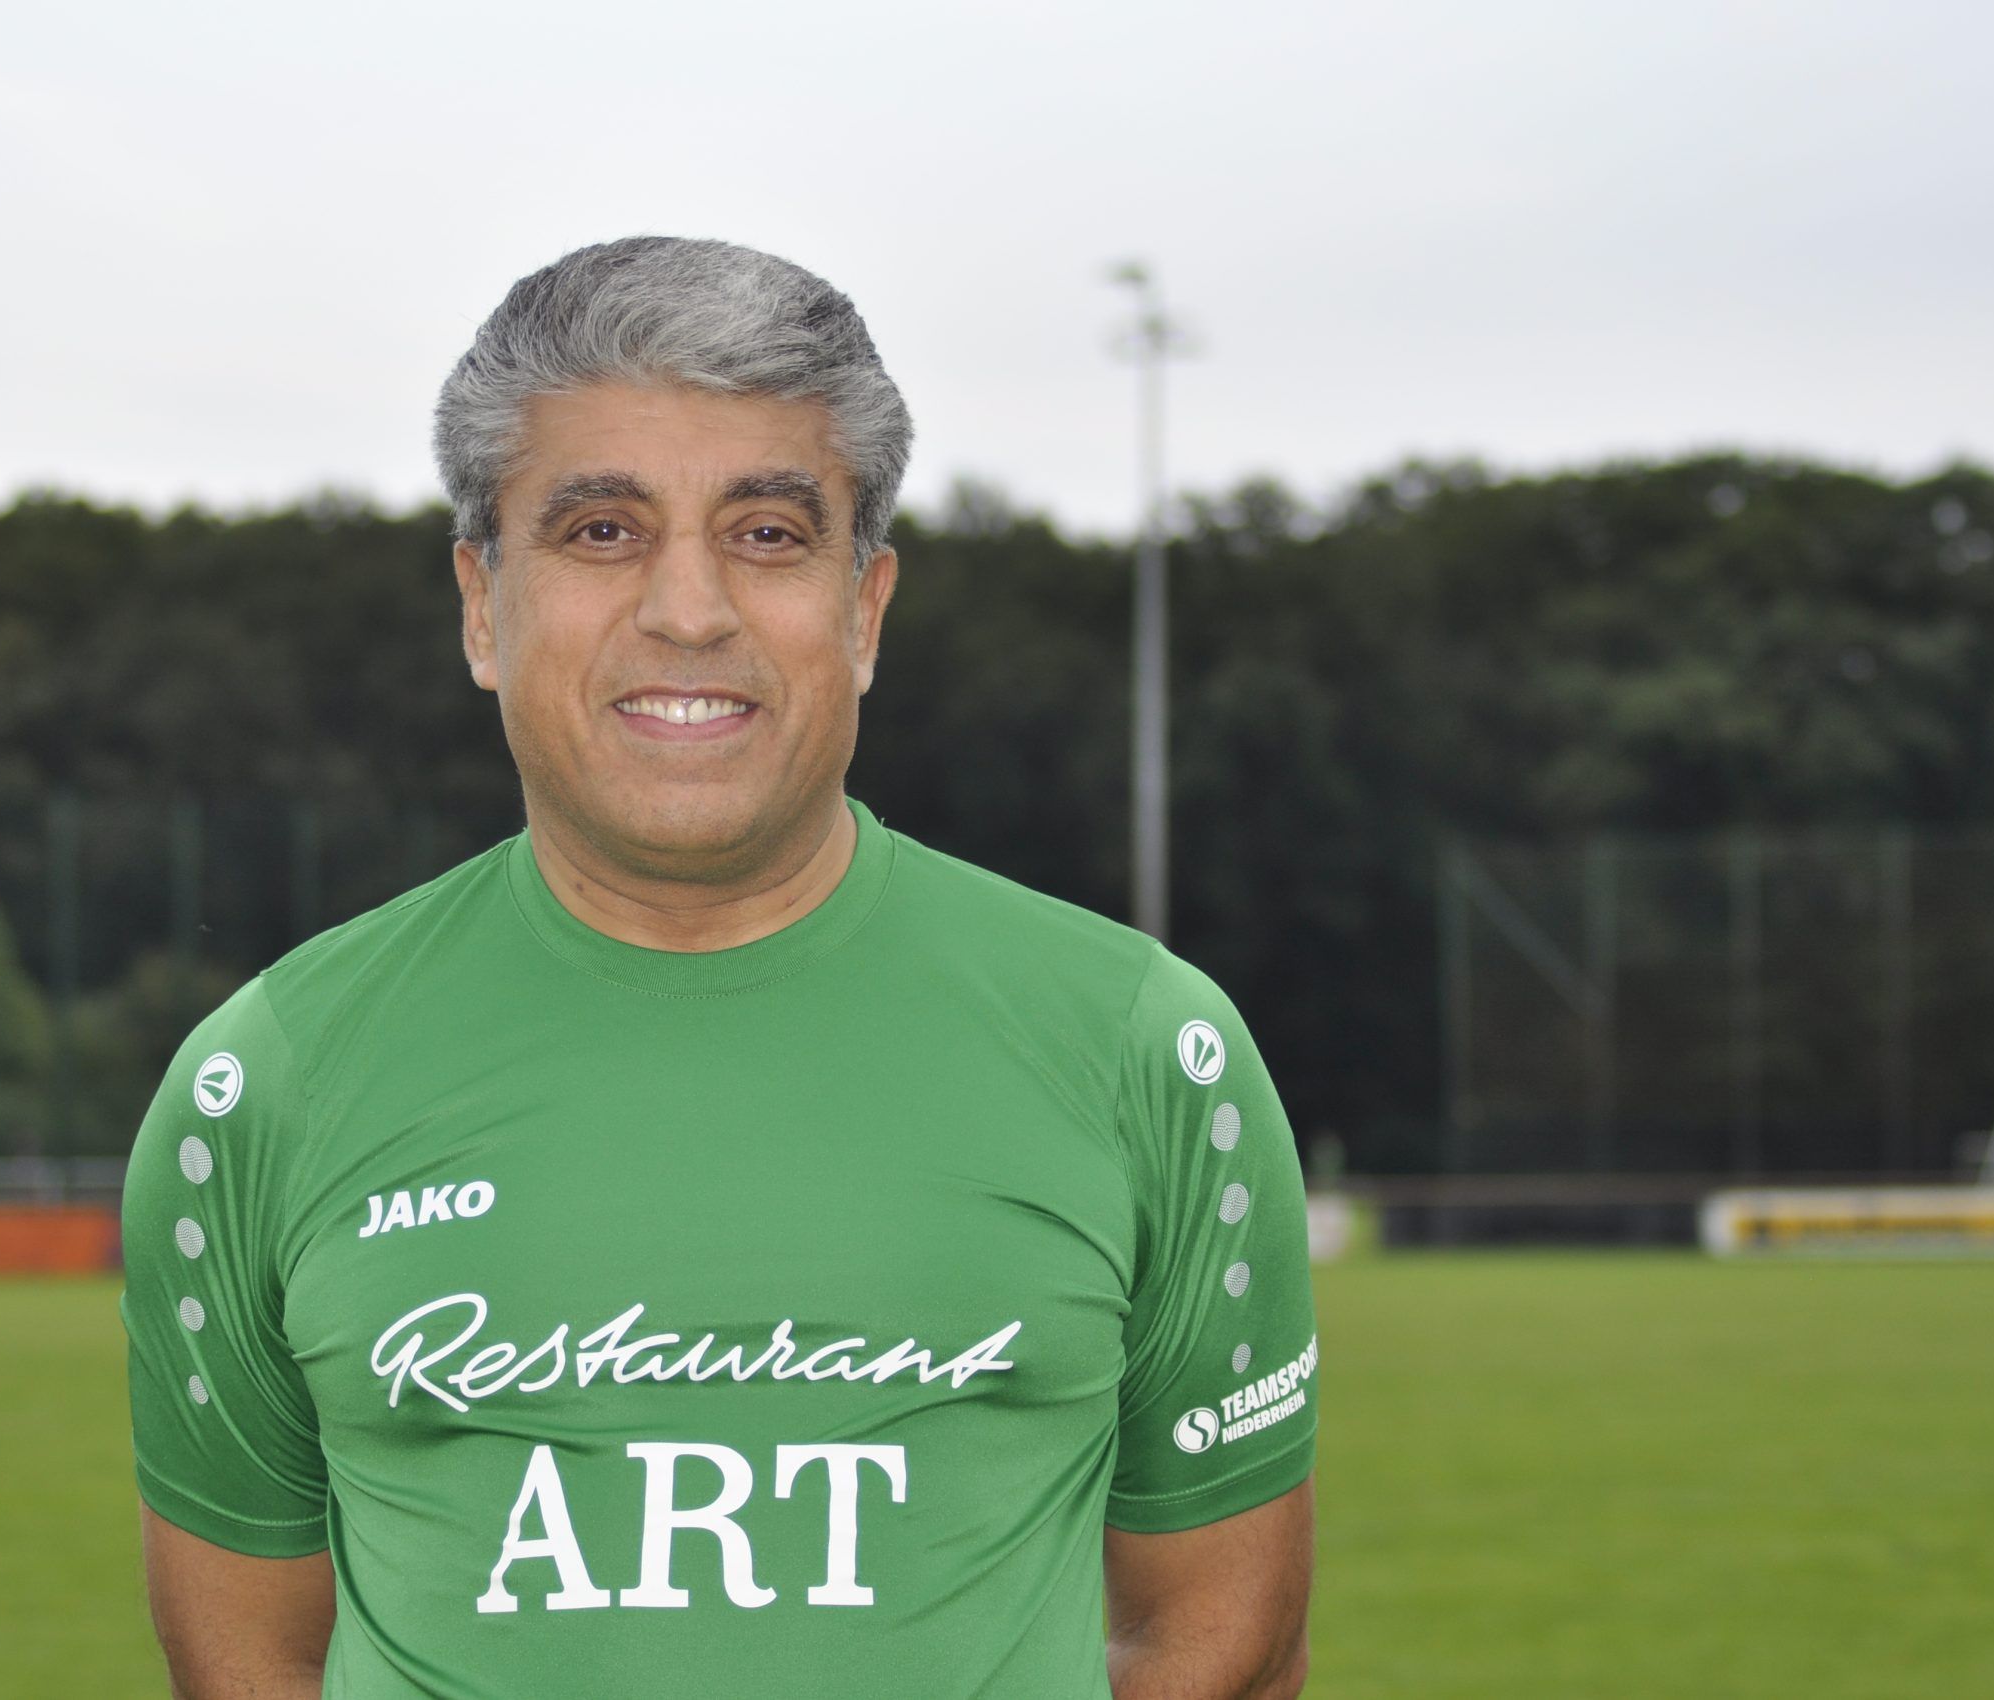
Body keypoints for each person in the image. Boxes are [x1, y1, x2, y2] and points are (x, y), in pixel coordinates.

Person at [121, 235, 1317, 1699]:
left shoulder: (1143, 1048)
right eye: (601, 531)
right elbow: (243, 1657)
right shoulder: (265, 1085)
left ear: (864, 610)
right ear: (481, 606)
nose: (689, 611)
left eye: (765, 533)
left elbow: (1226, 1639)